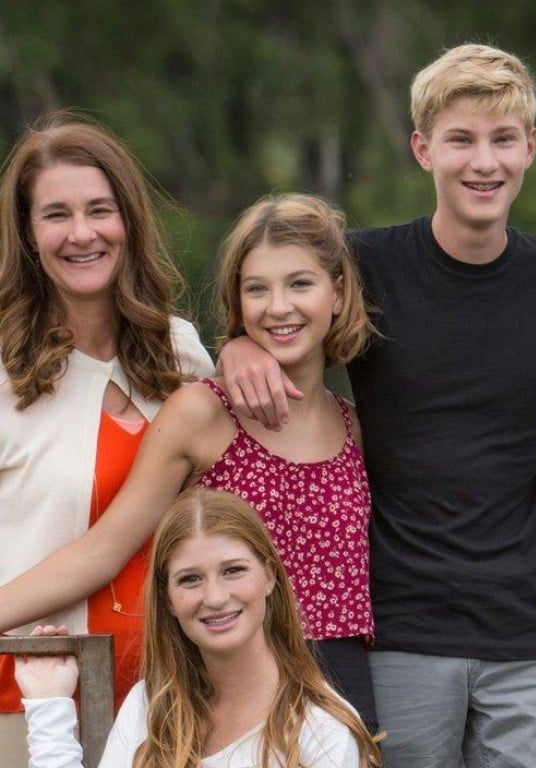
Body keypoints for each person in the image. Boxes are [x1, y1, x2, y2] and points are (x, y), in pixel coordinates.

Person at [220, 43, 536, 767]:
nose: (483, 162)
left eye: (503, 139)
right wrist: (239, 344)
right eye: (461, 140)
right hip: (400, 625)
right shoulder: (366, 265)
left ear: (530, 148)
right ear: (423, 149)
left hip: (533, 632)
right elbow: (283, 298)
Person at [0, 193, 379, 730]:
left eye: (300, 284)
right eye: (256, 289)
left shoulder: (353, 427)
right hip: (231, 688)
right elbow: (103, 550)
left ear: (337, 293)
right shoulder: (204, 411)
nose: (278, 306)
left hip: (341, 693)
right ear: (237, 302)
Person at [0, 111, 214, 767]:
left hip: (172, 700)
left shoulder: (182, 353)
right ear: (28, 234)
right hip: (27, 696)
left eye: (100, 209)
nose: (82, 233)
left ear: (130, 221)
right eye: (56, 215)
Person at [14, 487, 382, 768]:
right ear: (169, 599)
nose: (216, 597)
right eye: (190, 579)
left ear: (269, 576)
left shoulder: (322, 731)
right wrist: (51, 707)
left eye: (233, 570)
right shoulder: (150, 705)